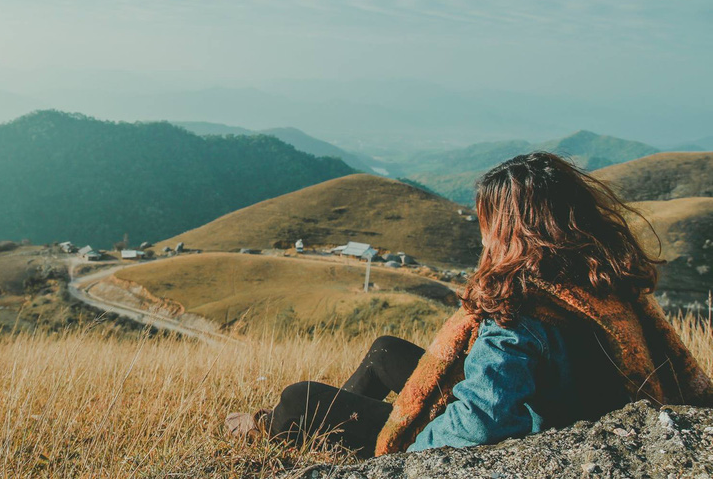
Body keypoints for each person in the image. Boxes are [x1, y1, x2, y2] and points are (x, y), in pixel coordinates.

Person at [225, 152, 713, 458]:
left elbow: (483, 422)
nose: (481, 234)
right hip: (558, 404)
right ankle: (328, 429)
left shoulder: (520, 313)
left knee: (298, 397)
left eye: (487, 222)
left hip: (523, 432)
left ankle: (281, 428)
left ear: (510, 230)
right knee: (384, 351)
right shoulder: (595, 283)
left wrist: (405, 452)